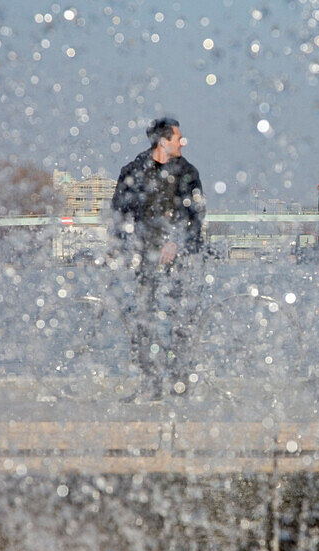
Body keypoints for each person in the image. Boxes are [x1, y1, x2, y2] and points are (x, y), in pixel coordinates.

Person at [110, 117, 207, 401]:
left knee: (180, 317)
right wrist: (118, 244)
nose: (182, 142)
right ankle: (150, 383)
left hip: (180, 254)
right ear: (163, 142)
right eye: (178, 138)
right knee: (143, 319)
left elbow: (196, 214)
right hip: (145, 253)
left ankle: (179, 383)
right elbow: (119, 211)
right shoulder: (134, 171)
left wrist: (176, 240)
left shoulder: (188, 172)